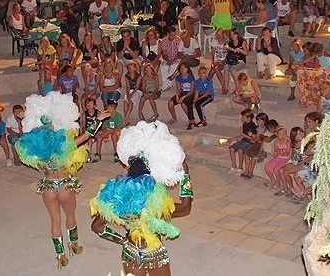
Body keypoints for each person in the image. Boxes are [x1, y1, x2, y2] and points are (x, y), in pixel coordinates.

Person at [14, 92, 109, 269]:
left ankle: (60, 256)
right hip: (65, 185)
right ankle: (74, 245)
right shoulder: (64, 144)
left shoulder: (37, 149)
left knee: (54, 220)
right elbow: (87, 135)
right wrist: (100, 119)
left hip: (48, 187)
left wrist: (22, 119)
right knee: (70, 216)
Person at [90, 122, 192, 276]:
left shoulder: (115, 196)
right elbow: (185, 208)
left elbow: (97, 227)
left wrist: (122, 241)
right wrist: (185, 174)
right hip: (154, 254)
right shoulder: (154, 201)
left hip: (131, 253)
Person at [227, 108, 258, 176]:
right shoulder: (244, 125)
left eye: (243, 117)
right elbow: (242, 136)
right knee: (231, 149)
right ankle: (234, 166)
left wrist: (244, 135)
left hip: (249, 143)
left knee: (240, 150)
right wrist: (233, 138)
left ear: (249, 118)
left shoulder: (253, 126)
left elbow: (253, 139)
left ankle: (240, 167)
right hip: (243, 141)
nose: (242, 119)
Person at [263, 126, 291, 191]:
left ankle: (278, 183)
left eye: (283, 134)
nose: (282, 136)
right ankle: (273, 181)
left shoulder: (288, 141)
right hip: (278, 157)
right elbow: (275, 150)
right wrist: (277, 152)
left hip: (285, 159)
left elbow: (287, 152)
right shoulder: (276, 140)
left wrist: (280, 152)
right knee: (267, 167)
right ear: (277, 135)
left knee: (276, 169)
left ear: (286, 134)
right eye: (280, 134)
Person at [169, 63, 196, 127]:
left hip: (190, 94)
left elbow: (192, 91)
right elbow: (179, 89)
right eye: (181, 68)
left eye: (184, 68)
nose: (182, 70)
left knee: (183, 104)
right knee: (170, 103)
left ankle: (191, 119)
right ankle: (174, 118)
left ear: (187, 69)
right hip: (182, 93)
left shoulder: (191, 77)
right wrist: (177, 96)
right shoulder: (178, 77)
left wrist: (183, 97)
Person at [158, 25, 181, 91]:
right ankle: (166, 83)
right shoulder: (164, 41)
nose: (173, 36)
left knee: (174, 66)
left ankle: (166, 83)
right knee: (163, 66)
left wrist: (173, 60)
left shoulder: (178, 40)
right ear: (168, 34)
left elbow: (179, 53)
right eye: (171, 35)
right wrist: (168, 60)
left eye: (174, 34)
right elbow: (164, 53)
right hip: (166, 58)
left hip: (176, 58)